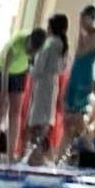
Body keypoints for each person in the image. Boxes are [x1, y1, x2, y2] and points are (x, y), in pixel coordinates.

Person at [25, 16, 69, 165]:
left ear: (51, 27)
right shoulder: (62, 45)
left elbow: (38, 69)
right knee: (45, 120)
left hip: (43, 85)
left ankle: (35, 153)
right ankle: (40, 153)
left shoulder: (49, 45)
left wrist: (29, 66)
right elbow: (62, 68)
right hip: (53, 85)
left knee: (36, 121)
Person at [62, 5, 95, 149]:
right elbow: (77, 54)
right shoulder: (84, 35)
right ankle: (64, 151)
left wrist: (81, 30)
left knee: (77, 118)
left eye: (85, 19)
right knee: (67, 119)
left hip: (84, 76)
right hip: (75, 74)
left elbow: (81, 52)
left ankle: (90, 149)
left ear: (91, 19)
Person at [0, 28, 34, 157]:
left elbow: (31, 70)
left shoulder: (40, 48)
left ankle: (11, 154)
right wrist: (3, 95)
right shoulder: (16, 44)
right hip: (0, 71)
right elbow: (5, 71)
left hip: (19, 74)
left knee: (15, 114)